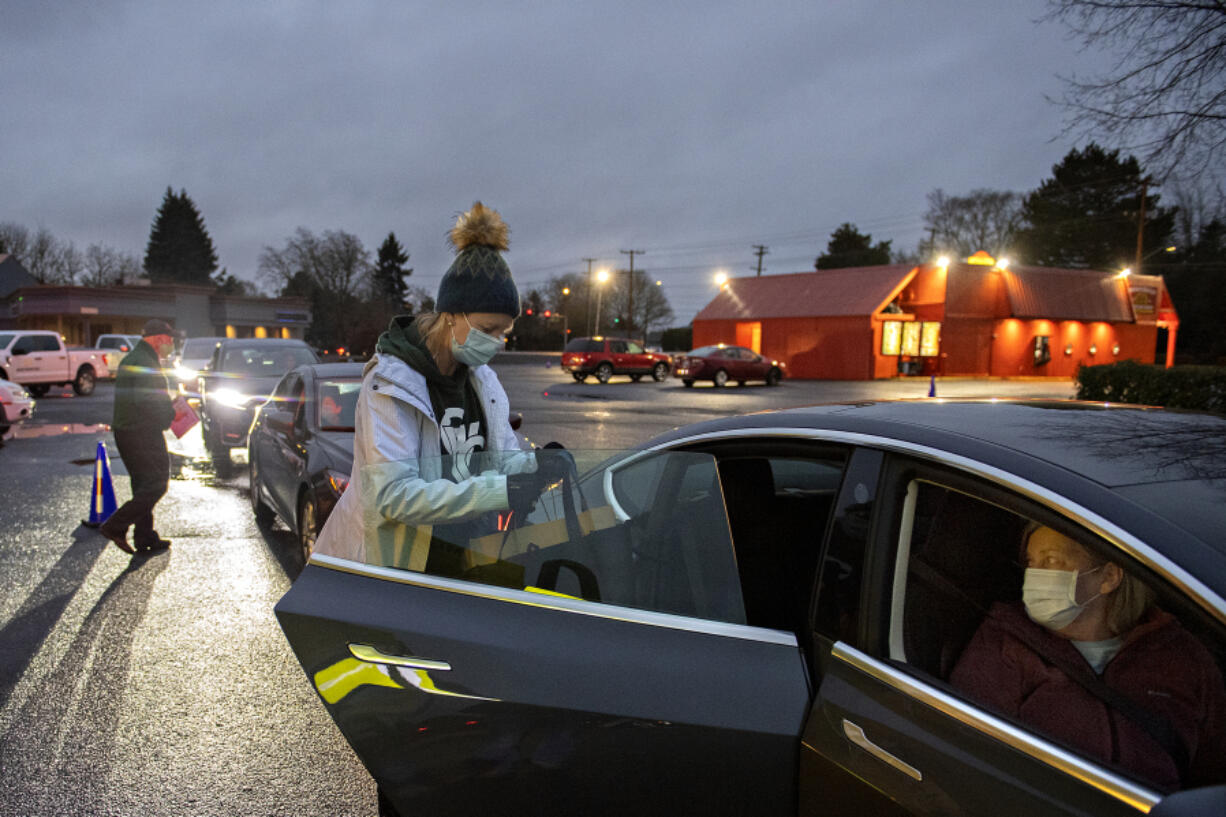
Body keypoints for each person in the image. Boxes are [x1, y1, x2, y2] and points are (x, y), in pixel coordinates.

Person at [314, 202, 551, 570]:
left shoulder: (482, 379)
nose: (497, 341)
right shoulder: (390, 385)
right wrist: (499, 491)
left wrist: (537, 464)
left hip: (470, 557)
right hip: (403, 566)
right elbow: (393, 495)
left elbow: (500, 458)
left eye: (504, 331)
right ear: (451, 315)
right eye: (488, 329)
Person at [951, 523, 1226, 790]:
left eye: (1051, 561)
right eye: (1032, 562)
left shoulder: (1182, 658)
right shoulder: (1006, 639)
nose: (1034, 575)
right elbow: (968, 751)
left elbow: (1212, 773)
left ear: (1108, 577)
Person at [98, 319, 178, 555]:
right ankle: (116, 525)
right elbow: (148, 401)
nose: (171, 345)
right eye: (170, 340)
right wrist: (170, 413)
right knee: (156, 483)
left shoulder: (135, 358)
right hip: (142, 432)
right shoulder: (145, 362)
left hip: (129, 432)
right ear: (159, 338)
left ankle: (145, 537)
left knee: (143, 484)